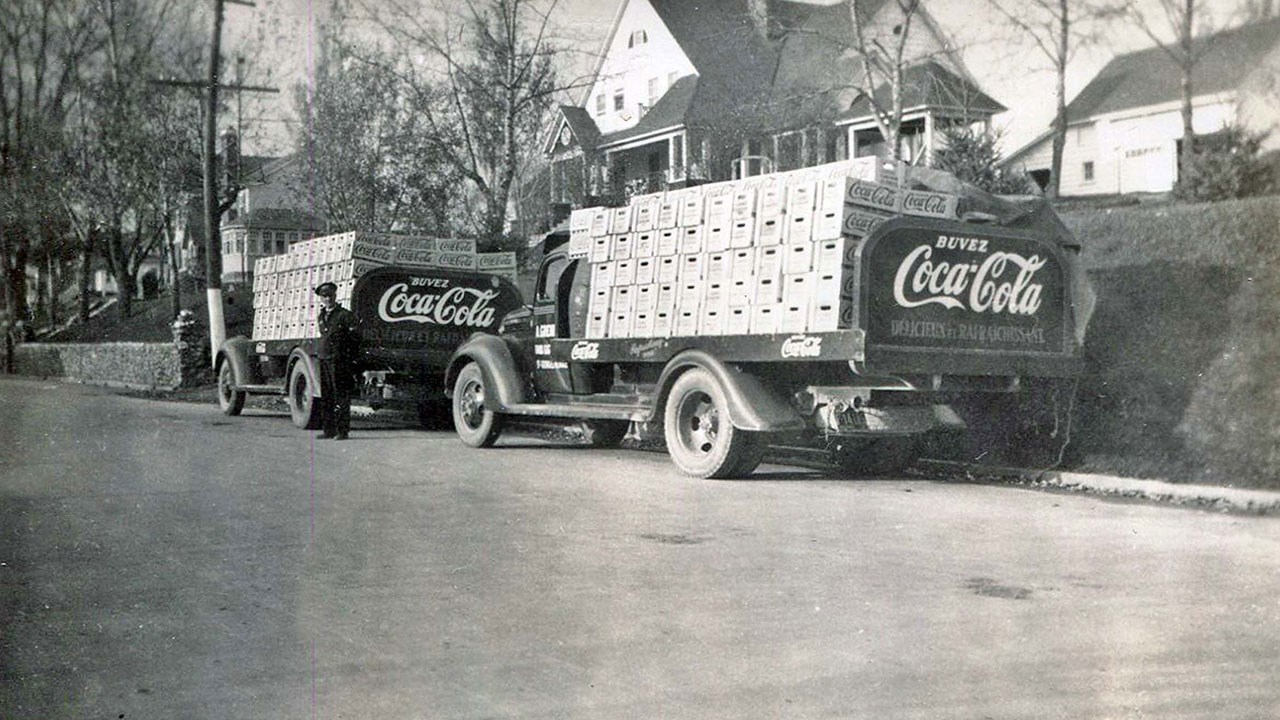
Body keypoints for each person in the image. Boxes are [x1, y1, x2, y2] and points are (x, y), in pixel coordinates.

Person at [314, 282, 359, 440]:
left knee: (340, 395)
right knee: (327, 395)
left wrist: (349, 357)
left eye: (330, 296)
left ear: (335, 296)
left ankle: (342, 431)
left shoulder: (344, 315)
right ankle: (328, 430)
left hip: (339, 359)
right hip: (324, 358)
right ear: (321, 298)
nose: (328, 299)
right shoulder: (321, 316)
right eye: (324, 296)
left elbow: (355, 338)